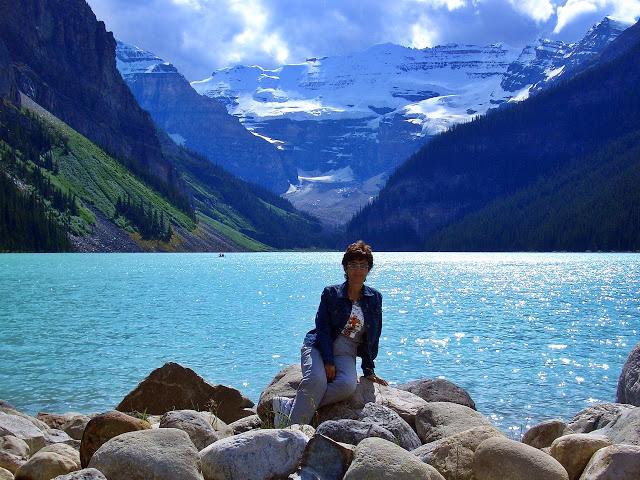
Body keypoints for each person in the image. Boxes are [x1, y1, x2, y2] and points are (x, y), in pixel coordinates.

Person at [272, 240, 388, 426]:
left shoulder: (374, 298)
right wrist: (328, 360)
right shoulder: (331, 294)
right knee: (316, 381)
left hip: (346, 351)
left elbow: (373, 335)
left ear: (369, 269)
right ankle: (291, 430)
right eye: (352, 265)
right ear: (345, 267)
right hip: (319, 345)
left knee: (347, 386)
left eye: (362, 265)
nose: (357, 270)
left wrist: (368, 369)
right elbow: (323, 328)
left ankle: (289, 405)